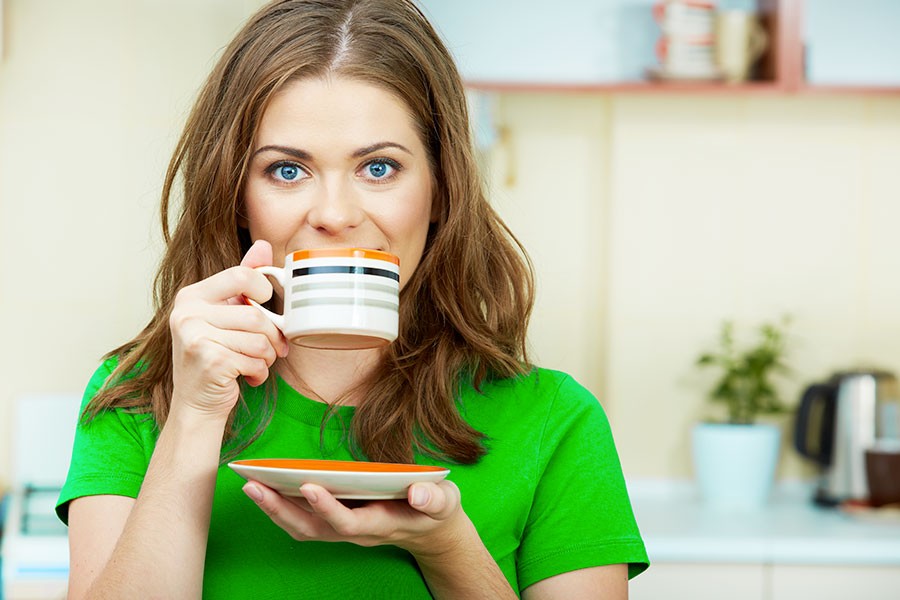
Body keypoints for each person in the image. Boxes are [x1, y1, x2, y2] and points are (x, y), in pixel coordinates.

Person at [56, 0, 649, 597]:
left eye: (380, 167)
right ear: (236, 195)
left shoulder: (556, 421)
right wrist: (194, 416)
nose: (334, 215)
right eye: (287, 171)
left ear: (442, 189)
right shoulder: (137, 399)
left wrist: (446, 545)